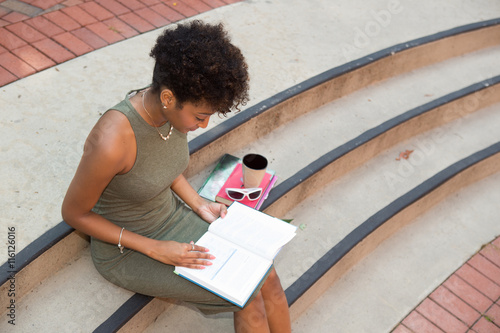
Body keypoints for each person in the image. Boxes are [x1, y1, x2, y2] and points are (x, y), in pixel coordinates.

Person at [61, 20, 291, 332]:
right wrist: (156, 248)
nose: (205, 125)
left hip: (172, 219)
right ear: (169, 98)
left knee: (267, 275)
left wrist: (198, 204)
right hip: (125, 249)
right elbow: (74, 213)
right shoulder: (112, 141)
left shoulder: (170, 110)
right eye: (200, 116)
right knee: (246, 295)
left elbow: (162, 169)